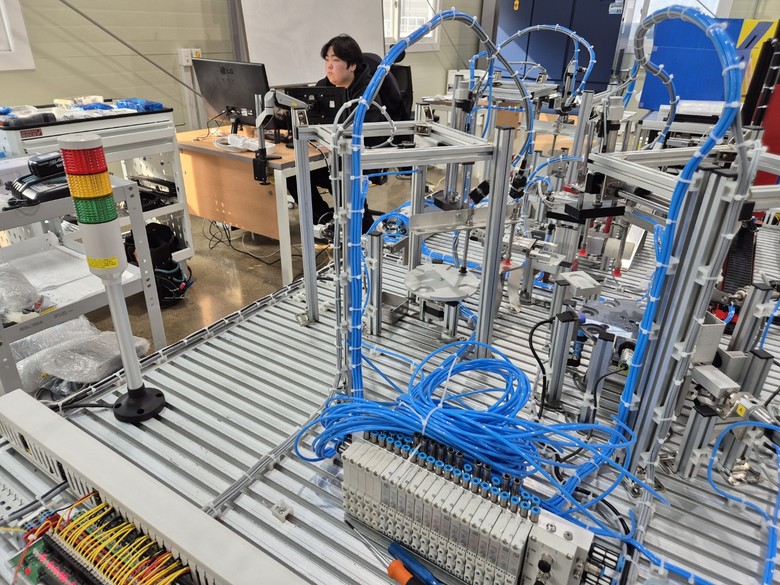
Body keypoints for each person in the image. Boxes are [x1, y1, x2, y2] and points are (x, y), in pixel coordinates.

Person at [287, 34, 406, 232]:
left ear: (352, 65)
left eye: (335, 60)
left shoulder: (369, 93)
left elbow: (366, 135)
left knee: (344, 180)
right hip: (329, 156)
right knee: (294, 174)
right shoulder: (323, 87)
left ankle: (364, 232)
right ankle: (325, 222)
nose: (329, 66)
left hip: (360, 158)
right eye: (327, 60)